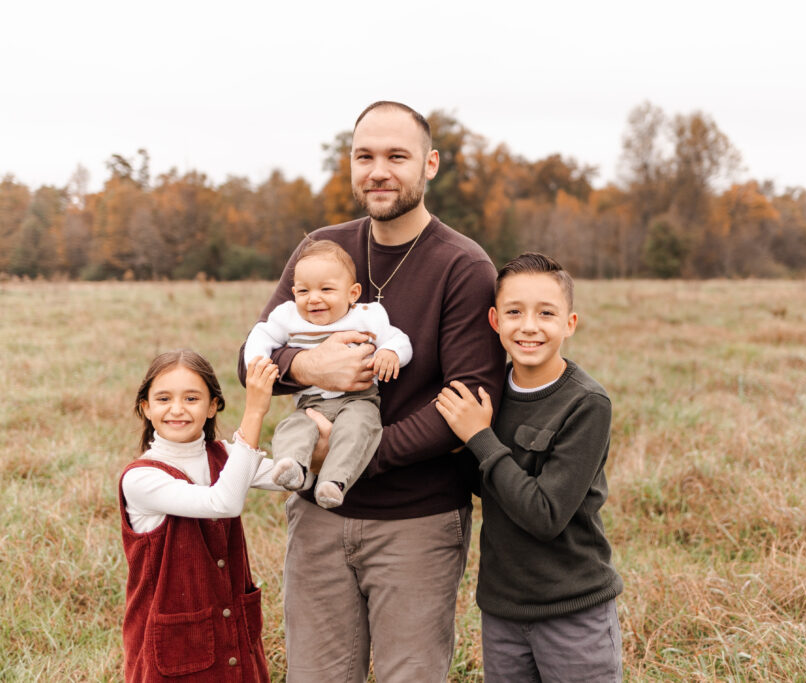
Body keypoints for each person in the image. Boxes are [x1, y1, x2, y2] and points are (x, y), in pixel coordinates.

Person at [239, 101, 505, 682]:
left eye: (397, 156)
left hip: (418, 522)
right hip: (317, 518)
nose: (378, 171)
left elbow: (468, 400)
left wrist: (348, 452)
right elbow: (253, 358)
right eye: (365, 156)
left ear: (429, 164)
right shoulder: (321, 251)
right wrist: (311, 367)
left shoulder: (463, 266)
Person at [435, 252, 624, 682]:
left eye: (546, 313)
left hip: (573, 612)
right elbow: (484, 483)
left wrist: (479, 438)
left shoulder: (586, 404)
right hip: (502, 610)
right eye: (514, 312)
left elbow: (545, 515)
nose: (530, 326)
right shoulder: (489, 393)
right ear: (494, 320)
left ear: (569, 323)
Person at [119, 349, 309, 682]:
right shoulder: (141, 478)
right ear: (145, 408)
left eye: (191, 398)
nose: (177, 409)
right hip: (173, 655)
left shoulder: (226, 456)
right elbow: (223, 503)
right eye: (163, 398)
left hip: (233, 643)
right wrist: (255, 410)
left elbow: (295, 478)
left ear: (212, 406)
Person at [244, 238, 412, 509]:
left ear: (353, 293)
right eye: (303, 291)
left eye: (326, 289)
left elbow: (399, 339)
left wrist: (391, 353)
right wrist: (258, 359)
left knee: (357, 430)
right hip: (311, 404)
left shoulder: (368, 317)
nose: (314, 298)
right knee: (294, 426)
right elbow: (260, 334)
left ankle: (334, 482)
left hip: (359, 400)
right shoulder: (288, 317)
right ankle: (293, 467)